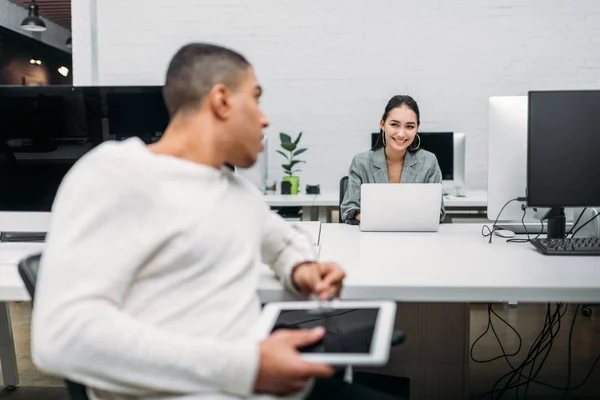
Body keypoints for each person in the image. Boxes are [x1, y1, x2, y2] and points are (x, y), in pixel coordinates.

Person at [31, 43, 400, 400]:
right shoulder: (116, 174)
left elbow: (284, 240)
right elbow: (62, 337)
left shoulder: (235, 191)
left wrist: (302, 267)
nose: (265, 117)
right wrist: (246, 366)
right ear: (222, 100)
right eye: (255, 98)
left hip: (265, 384)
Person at [340, 95, 445, 223]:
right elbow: (348, 211)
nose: (401, 134)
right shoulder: (361, 162)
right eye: (394, 124)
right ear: (382, 124)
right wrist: (393, 219)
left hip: (415, 237)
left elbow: (437, 212)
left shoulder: (429, 162)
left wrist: (386, 216)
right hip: (373, 237)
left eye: (410, 126)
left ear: (417, 128)